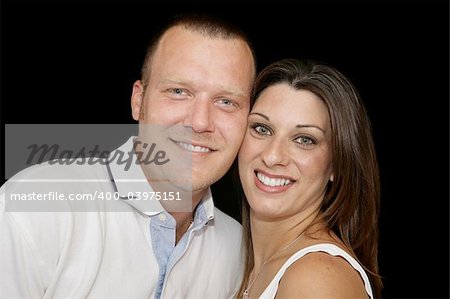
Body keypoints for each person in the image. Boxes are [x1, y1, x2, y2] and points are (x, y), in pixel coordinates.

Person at [0, 14, 256, 298]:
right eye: (179, 91)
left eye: (226, 101)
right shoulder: (36, 210)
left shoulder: (241, 252)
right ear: (138, 101)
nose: (199, 122)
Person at [237, 58, 382, 298]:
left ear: (337, 163)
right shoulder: (248, 263)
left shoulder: (316, 278)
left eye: (304, 139)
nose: (273, 156)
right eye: (262, 129)